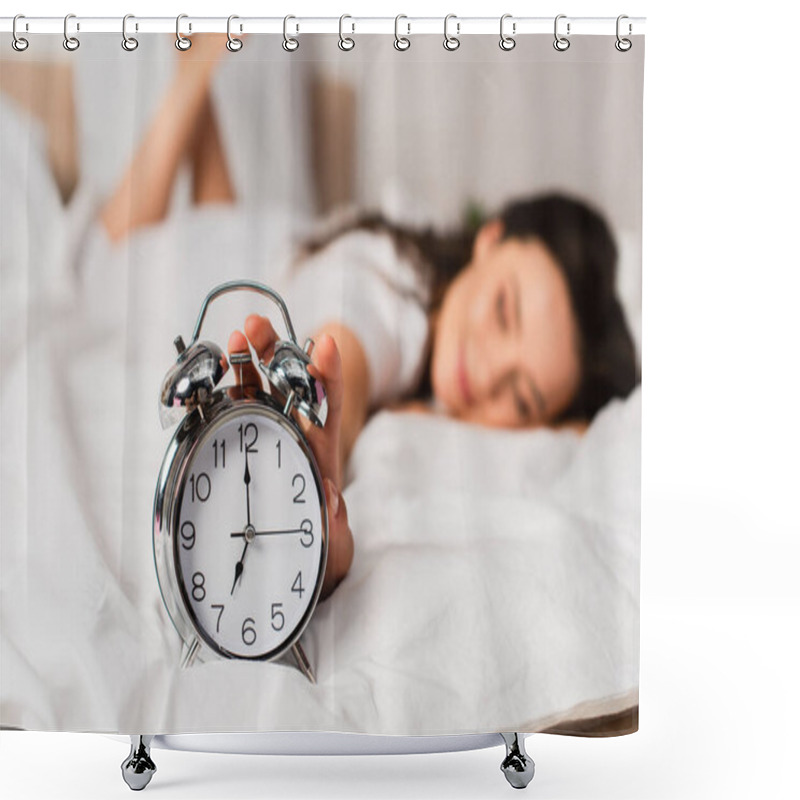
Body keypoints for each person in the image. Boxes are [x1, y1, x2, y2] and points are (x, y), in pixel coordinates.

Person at [97, 36, 639, 599]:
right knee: (103, 261)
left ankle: (198, 83)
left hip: (257, 249)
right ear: (492, 236)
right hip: (195, 274)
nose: (487, 370)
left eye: (522, 398)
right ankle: (194, 74)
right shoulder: (389, 291)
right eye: (504, 312)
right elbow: (347, 341)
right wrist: (317, 434)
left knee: (223, 225)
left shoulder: (429, 288)